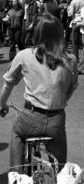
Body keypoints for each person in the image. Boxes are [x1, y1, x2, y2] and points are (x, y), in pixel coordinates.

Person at [0, 14, 78, 171]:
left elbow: (8, 84)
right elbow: (71, 87)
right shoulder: (71, 59)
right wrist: (61, 100)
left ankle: (18, 178)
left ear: (37, 33)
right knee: (59, 161)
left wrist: (2, 104)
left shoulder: (24, 55)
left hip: (30, 117)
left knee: (17, 133)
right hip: (57, 119)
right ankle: (60, 179)